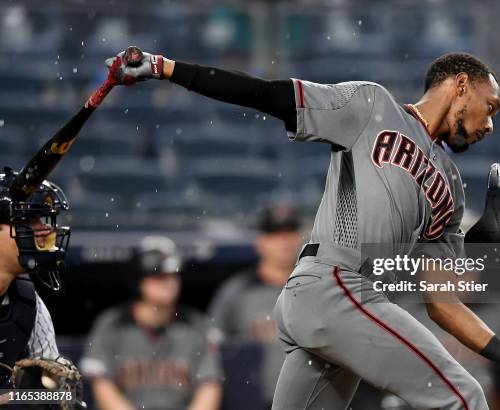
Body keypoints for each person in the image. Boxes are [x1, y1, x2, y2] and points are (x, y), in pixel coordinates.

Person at [105, 50, 500, 409]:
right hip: (335, 284)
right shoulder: (372, 106)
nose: (491, 125)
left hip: (342, 304)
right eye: (492, 106)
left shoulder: (450, 186)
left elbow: (442, 301)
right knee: (465, 397)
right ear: (461, 84)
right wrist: (167, 68)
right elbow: (268, 94)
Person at [0, 63, 119, 409]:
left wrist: (42, 395)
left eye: (45, 221)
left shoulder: (28, 303)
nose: (45, 232)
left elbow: (54, 393)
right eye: (31, 222)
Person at [80, 235, 223, 410]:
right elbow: (102, 384)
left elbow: (209, 387)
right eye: (159, 277)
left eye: (173, 276)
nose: (169, 283)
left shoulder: (197, 325)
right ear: (140, 282)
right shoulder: (112, 324)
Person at [209, 205, 303, 408]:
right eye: (276, 234)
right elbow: (212, 349)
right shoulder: (236, 292)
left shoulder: (319, 287)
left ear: (299, 238)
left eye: (289, 233)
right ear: (260, 242)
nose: (284, 242)